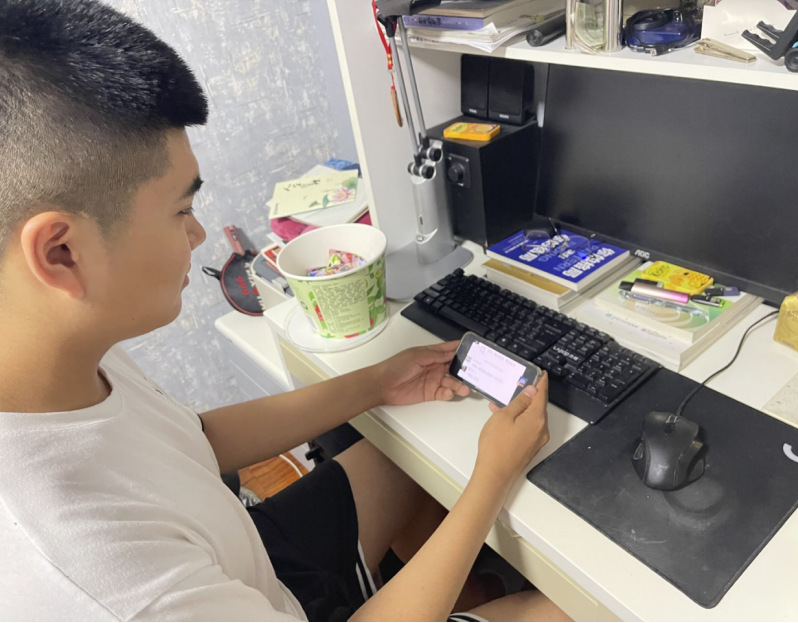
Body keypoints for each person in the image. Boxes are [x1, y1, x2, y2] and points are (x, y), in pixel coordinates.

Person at [0, 1, 570, 621]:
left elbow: (192, 440)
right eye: (180, 210)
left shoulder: (51, 346)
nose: (197, 234)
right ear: (60, 252)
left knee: (404, 461)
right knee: (580, 608)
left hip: (253, 567)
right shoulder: (97, 579)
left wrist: (379, 382)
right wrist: (490, 478)